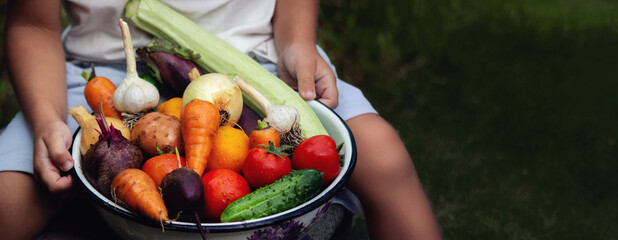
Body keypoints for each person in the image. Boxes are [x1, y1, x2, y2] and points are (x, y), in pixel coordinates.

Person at [0, 0, 442, 239]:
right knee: (8, 204)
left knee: (383, 156)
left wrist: (297, 44)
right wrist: (46, 120)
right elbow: (32, 25)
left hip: (255, 64)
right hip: (102, 72)